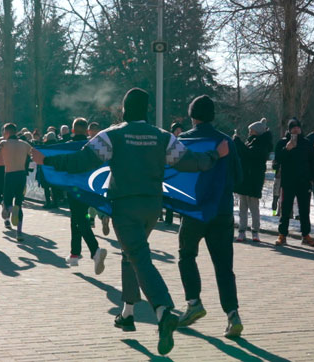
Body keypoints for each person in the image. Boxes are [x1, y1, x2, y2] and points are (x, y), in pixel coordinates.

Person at [31, 88, 229, 356]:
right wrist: (216, 155)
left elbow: (82, 161)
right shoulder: (163, 137)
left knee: (138, 256)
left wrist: (47, 159)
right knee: (131, 254)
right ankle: (127, 312)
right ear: (146, 110)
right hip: (152, 207)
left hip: (124, 206)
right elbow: (191, 164)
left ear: (124, 109)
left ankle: (163, 311)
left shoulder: (112, 135)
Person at [176, 95, 244, 339]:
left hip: (194, 211)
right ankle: (232, 315)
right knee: (224, 266)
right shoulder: (226, 141)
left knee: (186, 255)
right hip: (222, 210)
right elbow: (238, 176)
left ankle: (194, 302)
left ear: (192, 116)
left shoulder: (183, 141)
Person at [63, 117, 108, 274]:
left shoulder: (67, 146)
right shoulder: (92, 146)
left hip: (74, 188)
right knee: (77, 218)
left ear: (73, 130)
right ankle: (74, 253)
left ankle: (95, 250)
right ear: (87, 130)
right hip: (88, 187)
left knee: (79, 219)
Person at [274, 118, 314, 247]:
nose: (296, 129)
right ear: (289, 129)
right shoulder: (282, 143)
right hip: (288, 182)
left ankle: (306, 235)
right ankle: (282, 235)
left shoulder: (307, 143)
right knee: (286, 209)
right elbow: (276, 162)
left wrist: (313, 178)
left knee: (304, 210)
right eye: (293, 127)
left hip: (304, 182)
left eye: (298, 127)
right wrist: (287, 149)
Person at [0, 123, 33, 242]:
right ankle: (19, 233)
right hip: (21, 176)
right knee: (19, 203)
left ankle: (12, 210)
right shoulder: (25, 144)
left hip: (10, 175)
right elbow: (35, 155)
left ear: (6, 133)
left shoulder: (3, 143)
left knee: (7, 203)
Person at [233, 118, 272, 242]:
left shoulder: (262, 145)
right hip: (246, 180)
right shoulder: (250, 142)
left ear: (257, 131)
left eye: (251, 130)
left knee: (253, 208)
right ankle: (242, 230)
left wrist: (238, 142)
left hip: (254, 180)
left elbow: (249, 154)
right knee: (242, 208)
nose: (249, 132)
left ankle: (255, 231)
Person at [162, 122, 184, 225]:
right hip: (171, 173)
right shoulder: (169, 141)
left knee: (180, 198)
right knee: (170, 196)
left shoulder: (183, 141)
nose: (179, 132)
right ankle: (168, 219)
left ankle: (182, 219)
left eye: (180, 130)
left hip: (180, 173)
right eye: (177, 130)